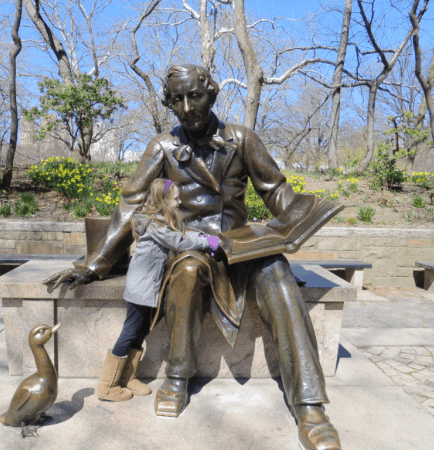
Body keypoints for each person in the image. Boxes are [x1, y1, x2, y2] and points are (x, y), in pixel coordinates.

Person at [45, 64, 340, 450]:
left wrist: (304, 215)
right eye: (177, 100)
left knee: (279, 276)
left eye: (194, 96)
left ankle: (309, 405)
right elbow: (131, 205)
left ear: (211, 94)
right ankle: (177, 377)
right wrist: (94, 263)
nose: (186, 107)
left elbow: (276, 191)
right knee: (184, 272)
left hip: (241, 244)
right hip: (191, 246)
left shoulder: (242, 138)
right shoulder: (163, 146)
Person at [96, 178, 219, 402]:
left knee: (140, 331)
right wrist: (206, 242)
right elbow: (179, 243)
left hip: (147, 286)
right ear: (163, 200)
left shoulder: (160, 220)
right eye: (176, 198)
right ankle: (107, 386)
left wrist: (203, 237)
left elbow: (180, 234)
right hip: (141, 286)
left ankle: (127, 377)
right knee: (130, 331)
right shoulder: (154, 223)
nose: (180, 201)